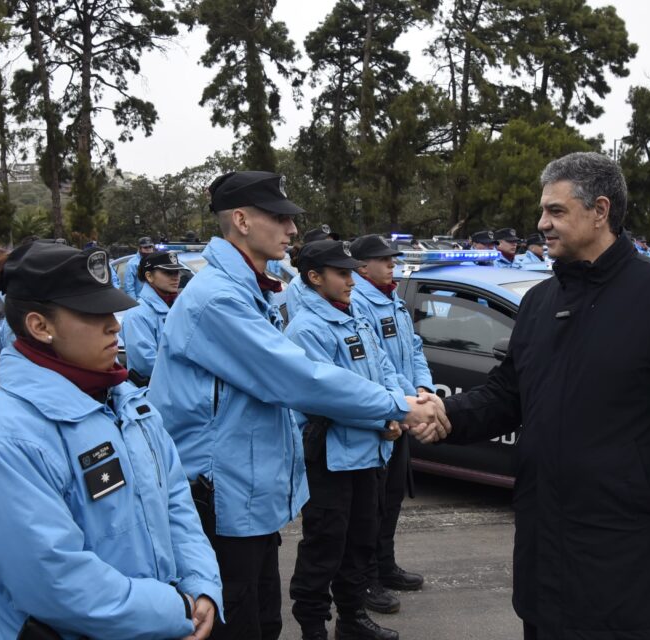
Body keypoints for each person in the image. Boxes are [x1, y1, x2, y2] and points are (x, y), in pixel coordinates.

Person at [414, 152, 650, 640]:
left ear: (600, 211)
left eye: (556, 211)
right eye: (543, 211)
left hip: (624, 547)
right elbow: (509, 393)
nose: (541, 224)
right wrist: (447, 414)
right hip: (545, 541)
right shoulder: (541, 301)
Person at [150, 170, 449, 640]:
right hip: (222, 495)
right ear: (243, 221)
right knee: (242, 622)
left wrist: (401, 401)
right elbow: (298, 377)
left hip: (248, 496)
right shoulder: (218, 300)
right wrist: (399, 406)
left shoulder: (250, 290)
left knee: (264, 620)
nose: (292, 231)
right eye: (282, 219)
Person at [0, 241, 221, 640]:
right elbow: (55, 582)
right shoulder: (4, 439)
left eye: (110, 309)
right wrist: (175, 608)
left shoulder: (125, 401)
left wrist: (201, 586)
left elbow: (175, 502)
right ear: (41, 327)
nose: (114, 324)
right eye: (93, 314)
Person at [286, 240, 407, 640]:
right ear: (315, 277)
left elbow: (385, 367)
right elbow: (330, 396)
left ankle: (352, 619)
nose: (351, 280)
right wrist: (385, 417)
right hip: (331, 458)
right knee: (325, 546)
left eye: (352, 271)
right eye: (341, 273)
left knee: (360, 543)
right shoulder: (306, 328)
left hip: (369, 454)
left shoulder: (355, 314)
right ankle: (313, 628)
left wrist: (394, 409)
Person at [347, 235, 433, 615]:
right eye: (383, 260)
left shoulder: (392, 297)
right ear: (362, 267)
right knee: (372, 505)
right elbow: (374, 364)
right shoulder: (358, 301)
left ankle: (385, 564)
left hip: (401, 405)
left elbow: (412, 347)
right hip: (384, 414)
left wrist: (422, 387)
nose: (391, 265)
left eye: (392, 259)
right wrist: (399, 408)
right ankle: (367, 580)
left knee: (393, 497)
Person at [122, 250, 189, 382]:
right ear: (149, 276)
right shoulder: (136, 315)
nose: (176, 277)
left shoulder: (181, 307)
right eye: (168, 272)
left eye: (177, 272)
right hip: (154, 393)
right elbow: (147, 364)